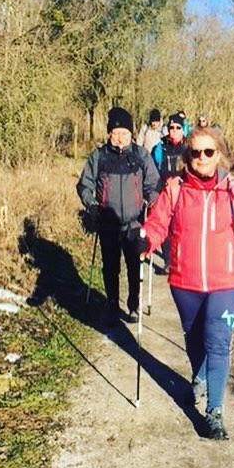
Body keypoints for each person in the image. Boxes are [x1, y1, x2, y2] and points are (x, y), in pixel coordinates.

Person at [137, 127, 234, 439]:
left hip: (226, 282)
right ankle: (199, 376)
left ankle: (214, 412)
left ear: (218, 155)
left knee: (218, 342)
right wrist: (146, 240)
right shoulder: (174, 189)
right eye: (196, 152)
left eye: (208, 152)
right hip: (184, 281)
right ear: (188, 157)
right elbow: (158, 223)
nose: (202, 158)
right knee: (194, 339)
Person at [77, 106, 160, 326]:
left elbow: (153, 184)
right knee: (110, 267)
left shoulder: (141, 155)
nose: (120, 138)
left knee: (134, 267)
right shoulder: (99, 156)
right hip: (108, 224)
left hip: (134, 223)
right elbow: (84, 185)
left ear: (131, 134)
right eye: (116, 133)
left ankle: (133, 305)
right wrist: (92, 205)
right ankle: (112, 305)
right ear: (109, 134)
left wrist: (150, 201)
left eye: (125, 133)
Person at [150, 113, 187, 273]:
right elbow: (152, 172)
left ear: (183, 130)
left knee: (180, 228)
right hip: (164, 194)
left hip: (183, 194)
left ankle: (181, 259)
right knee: (164, 227)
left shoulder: (188, 148)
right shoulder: (159, 148)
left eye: (178, 128)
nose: (174, 131)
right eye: (171, 128)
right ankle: (168, 261)